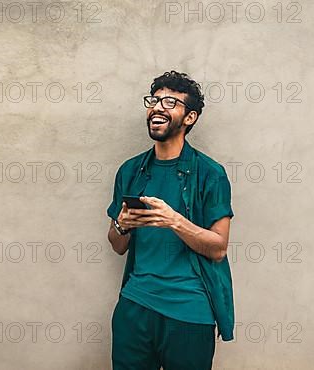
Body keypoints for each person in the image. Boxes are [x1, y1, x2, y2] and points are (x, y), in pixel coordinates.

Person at [107, 71, 235, 370]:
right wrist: (122, 225)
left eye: (170, 102)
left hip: (190, 312)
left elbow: (218, 248)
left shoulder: (210, 173)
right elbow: (117, 246)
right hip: (135, 306)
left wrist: (174, 220)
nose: (157, 107)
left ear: (189, 118)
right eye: (154, 100)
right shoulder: (130, 171)